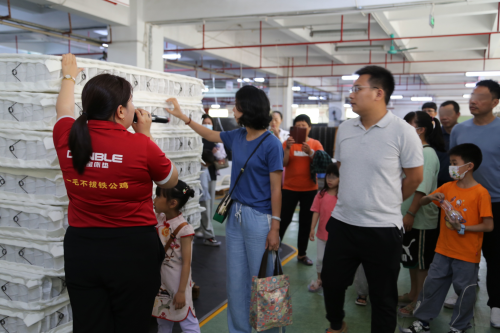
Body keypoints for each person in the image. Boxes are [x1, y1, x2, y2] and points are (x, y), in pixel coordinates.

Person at [53, 54, 178, 332]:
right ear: (121, 111)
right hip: (132, 249)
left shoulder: (67, 136)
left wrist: (68, 76)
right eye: (131, 103)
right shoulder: (140, 146)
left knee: (89, 324)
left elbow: (63, 110)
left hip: (82, 248)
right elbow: (170, 179)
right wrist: (145, 135)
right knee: (133, 324)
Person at [165, 85, 284, 333]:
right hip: (235, 217)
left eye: (237, 105)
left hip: (259, 219)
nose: (233, 109)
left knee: (265, 283)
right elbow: (209, 135)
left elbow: (276, 189)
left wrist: (275, 226)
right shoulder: (238, 135)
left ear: (247, 109)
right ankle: (239, 329)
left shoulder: (271, 143)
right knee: (236, 283)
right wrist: (183, 117)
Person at [322, 65, 424, 333]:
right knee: (331, 282)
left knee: (383, 296)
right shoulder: (344, 129)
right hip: (343, 222)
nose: (351, 94)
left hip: (382, 228)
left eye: (357, 89)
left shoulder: (403, 132)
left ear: (379, 93)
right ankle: (336, 324)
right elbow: (343, 167)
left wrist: (387, 202)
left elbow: (414, 178)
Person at [402, 143, 494, 333]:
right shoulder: (448, 187)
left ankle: (459, 326)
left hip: (467, 254)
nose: (451, 167)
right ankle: (423, 322)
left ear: (469, 166)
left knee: (465, 292)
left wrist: (463, 227)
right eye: (450, 162)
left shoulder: (480, 193)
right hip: (442, 250)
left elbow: (488, 225)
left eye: (455, 163)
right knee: (432, 286)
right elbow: (426, 199)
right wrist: (431, 198)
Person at [449, 80, 500, 328]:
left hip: (496, 201)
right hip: (463, 201)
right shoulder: (459, 130)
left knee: (495, 255)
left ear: (495, 102)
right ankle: (458, 291)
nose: (473, 100)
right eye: (472, 95)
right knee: (459, 252)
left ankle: (497, 304)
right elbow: (454, 168)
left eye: (481, 96)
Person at [397, 111, 444, 317]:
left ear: (421, 130)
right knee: (411, 259)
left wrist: (410, 213)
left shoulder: (427, 153)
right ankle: (412, 293)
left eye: (408, 126)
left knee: (422, 263)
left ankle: (418, 302)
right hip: (410, 217)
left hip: (420, 218)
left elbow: (422, 189)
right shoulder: (414, 152)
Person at [152, 181, 199, 333]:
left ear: (172, 203)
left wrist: (181, 292)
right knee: (163, 321)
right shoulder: (159, 218)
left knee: (187, 321)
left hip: (178, 282)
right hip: (161, 282)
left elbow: (186, 263)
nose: (155, 198)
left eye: (158, 195)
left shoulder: (184, 228)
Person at [280, 114, 324, 266]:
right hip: (289, 188)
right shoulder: (287, 143)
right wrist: (287, 149)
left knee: (305, 222)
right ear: (293, 129)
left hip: (309, 189)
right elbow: (283, 164)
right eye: (297, 126)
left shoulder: (315, 143)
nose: (301, 129)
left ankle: (302, 254)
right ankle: (274, 249)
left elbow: (321, 164)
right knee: (283, 220)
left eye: (304, 126)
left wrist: (310, 152)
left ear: (309, 128)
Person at [308, 163, 339, 293]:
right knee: (320, 258)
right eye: (328, 176)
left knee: (334, 261)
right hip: (322, 234)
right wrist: (312, 228)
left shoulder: (343, 196)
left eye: (334, 176)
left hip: (337, 236)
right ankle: (319, 279)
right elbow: (316, 211)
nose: (330, 180)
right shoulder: (321, 194)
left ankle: (333, 281)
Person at [199, 113, 227, 241]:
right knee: (201, 202)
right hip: (199, 174)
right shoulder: (197, 138)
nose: (207, 125)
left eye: (209, 123)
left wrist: (216, 154)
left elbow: (223, 159)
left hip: (211, 173)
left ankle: (207, 228)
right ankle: (201, 229)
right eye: (205, 122)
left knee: (208, 203)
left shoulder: (215, 139)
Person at [197, 150, 221, 246]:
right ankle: (209, 237)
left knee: (206, 217)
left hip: (204, 196)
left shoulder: (204, 168)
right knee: (205, 218)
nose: (207, 166)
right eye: (207, 164)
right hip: (201, 196)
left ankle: (207, 236)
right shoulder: (199, 169)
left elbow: (206, 183)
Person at [437, 101, 461, 187]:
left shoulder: (465, 135)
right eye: (441, 114)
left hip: (461, 183)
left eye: (448, 114)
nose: (444, 118)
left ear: (458, 114)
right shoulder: (434, 136)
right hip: (438, 184)